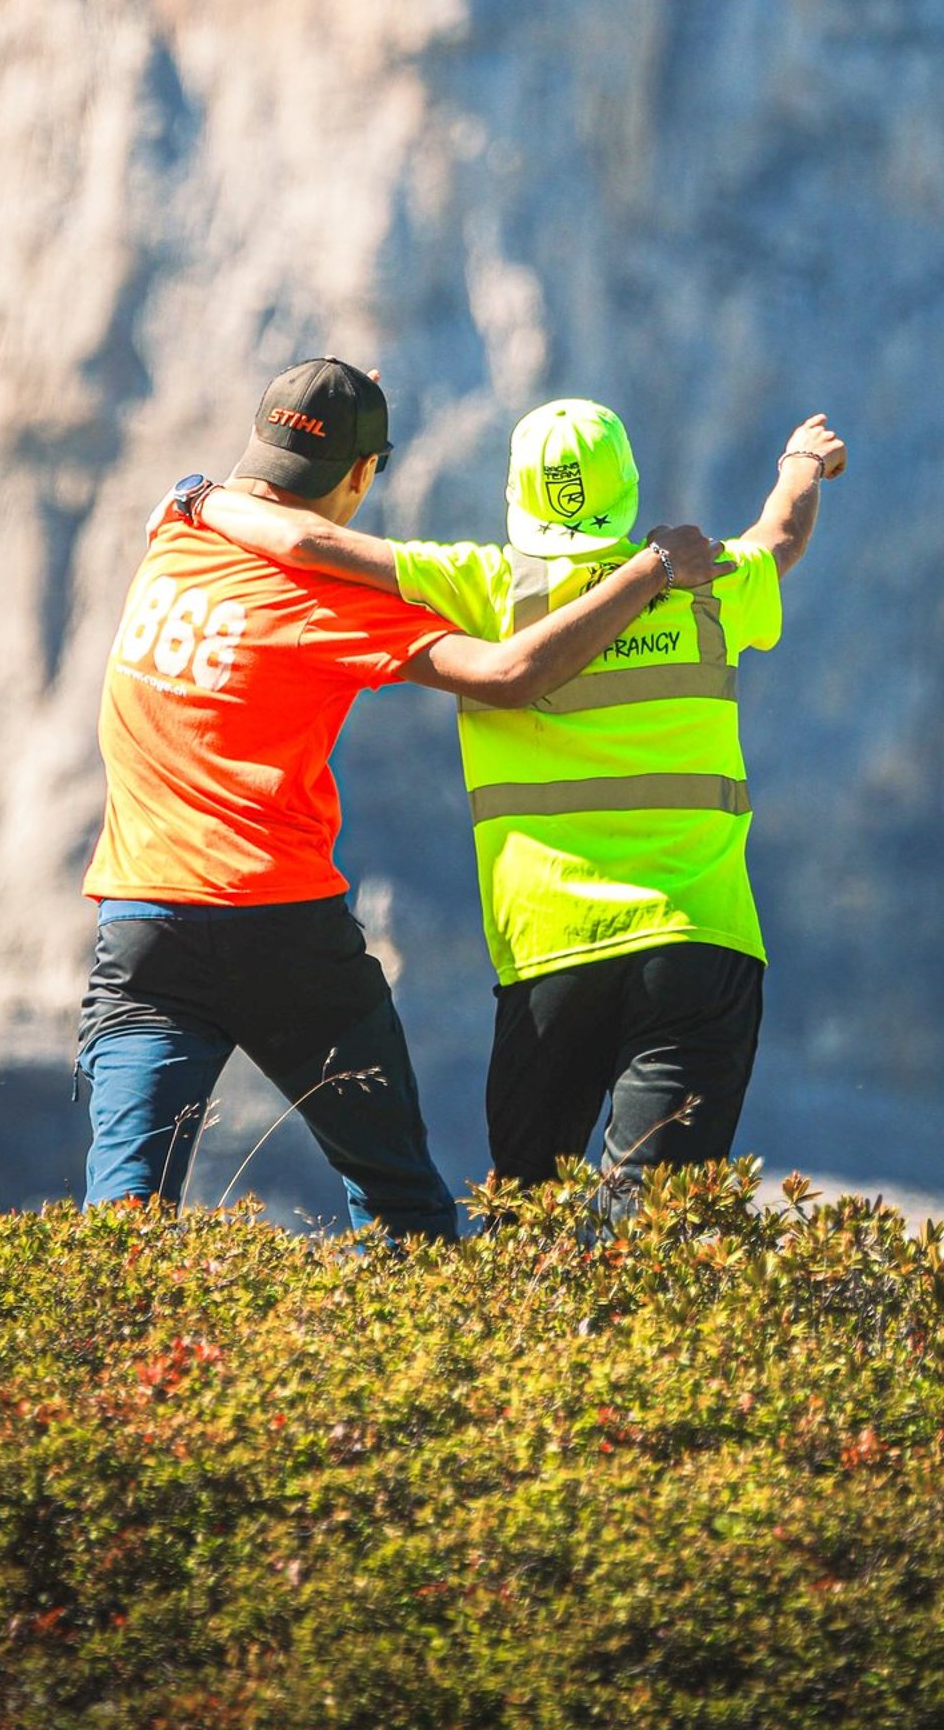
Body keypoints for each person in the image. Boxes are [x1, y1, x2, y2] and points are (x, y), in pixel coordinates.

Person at [76, 359, 722, 1238]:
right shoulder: (325, 601)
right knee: (400, 1205)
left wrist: (229, 473)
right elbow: (508, 675)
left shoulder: (175, 534)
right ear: (360, 475)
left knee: (121, 1217)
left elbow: (225, 498)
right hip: (282, 933)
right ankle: (414, 1367)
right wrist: (649, 570)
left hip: (141, 925)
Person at [191, 395, 844, 1197]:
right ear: (629, 487)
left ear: (517, 498)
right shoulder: (708, 581)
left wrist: (199, 498)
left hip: (550, 954)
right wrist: (802, 463)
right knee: (655, 1228)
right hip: (698, 942)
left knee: (527, 1216)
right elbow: (780, 537)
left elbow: (308, 540)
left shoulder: (487, 584)